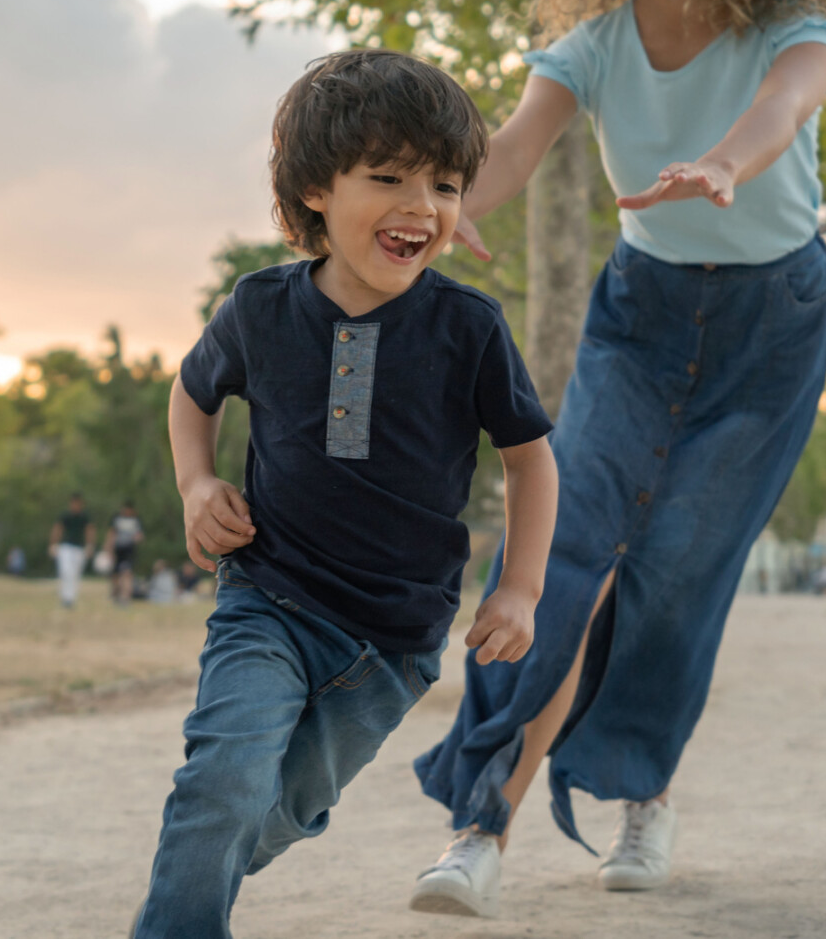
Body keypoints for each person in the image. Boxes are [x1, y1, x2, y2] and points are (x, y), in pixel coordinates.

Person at [409, 0, 826, 917]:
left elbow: (786, 106)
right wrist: (448, 204)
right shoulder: (599, 40)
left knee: (677, 577)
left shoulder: (796, 27)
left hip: (773, 328)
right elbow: (514, 144)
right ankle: (480, 825)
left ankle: (643, 794)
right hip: (641, 320)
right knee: (560, 555)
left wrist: (725, 162)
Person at [129, 49, 557, 939]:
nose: (421, 206)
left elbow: (529, 459)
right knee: (221, 783)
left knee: (276, 809)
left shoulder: (467, 328)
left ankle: (211, 847)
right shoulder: (258, 309)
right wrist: (195, 480)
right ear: (317, 189)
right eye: (389, 176)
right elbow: (192, 391)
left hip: (392, 641)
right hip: (269, 600)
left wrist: (520, 587)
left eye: (444, 184)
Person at [47, 493, 95, 609]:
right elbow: (57, 529)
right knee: (66, 571)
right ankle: (65, 597)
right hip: (66, 547)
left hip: (79, 548)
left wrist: (90, 545)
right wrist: (53, 544)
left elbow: (89, 531)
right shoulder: (65, 516)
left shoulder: (84, 517)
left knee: (75, 574)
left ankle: (71, 598)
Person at [105, 499, 145, 606]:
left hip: (129, 550)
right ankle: (116, 594)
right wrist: (108, 549)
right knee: (115, 574)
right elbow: (111, 534)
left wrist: (135, 538)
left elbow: (140, 535)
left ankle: (125, 597)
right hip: (117, 550)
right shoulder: (116, 518)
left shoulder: (136, 520)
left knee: (127, 573)